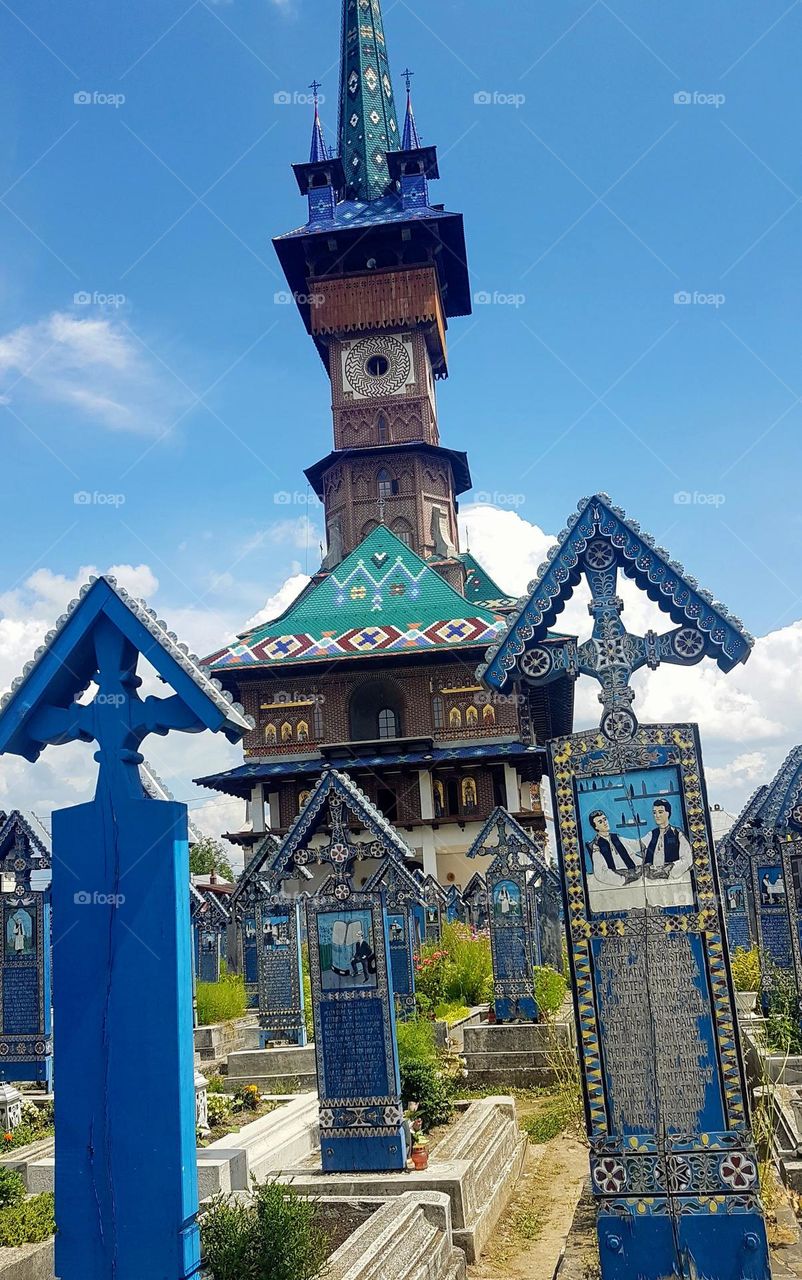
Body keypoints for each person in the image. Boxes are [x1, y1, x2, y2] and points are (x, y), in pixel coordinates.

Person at [586, 812, 642, 887]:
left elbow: (631, 854)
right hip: (618, 880)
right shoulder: (596, 846)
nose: (605, 823)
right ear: (595, 827)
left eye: (605, 819)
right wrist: (623, 879)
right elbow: (600, 873)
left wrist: (642, 865)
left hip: (632, 875)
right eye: (600, 822)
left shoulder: (617, 838)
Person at [643, 801, 692, 881]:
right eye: (654, 813)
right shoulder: (652, 834)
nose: (657, 816)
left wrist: (669, 869)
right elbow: (638, 846)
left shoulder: (677, 834)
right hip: (652, 882)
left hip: (673, 881)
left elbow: (687, 860)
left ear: (668, 813)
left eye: (660, 812)